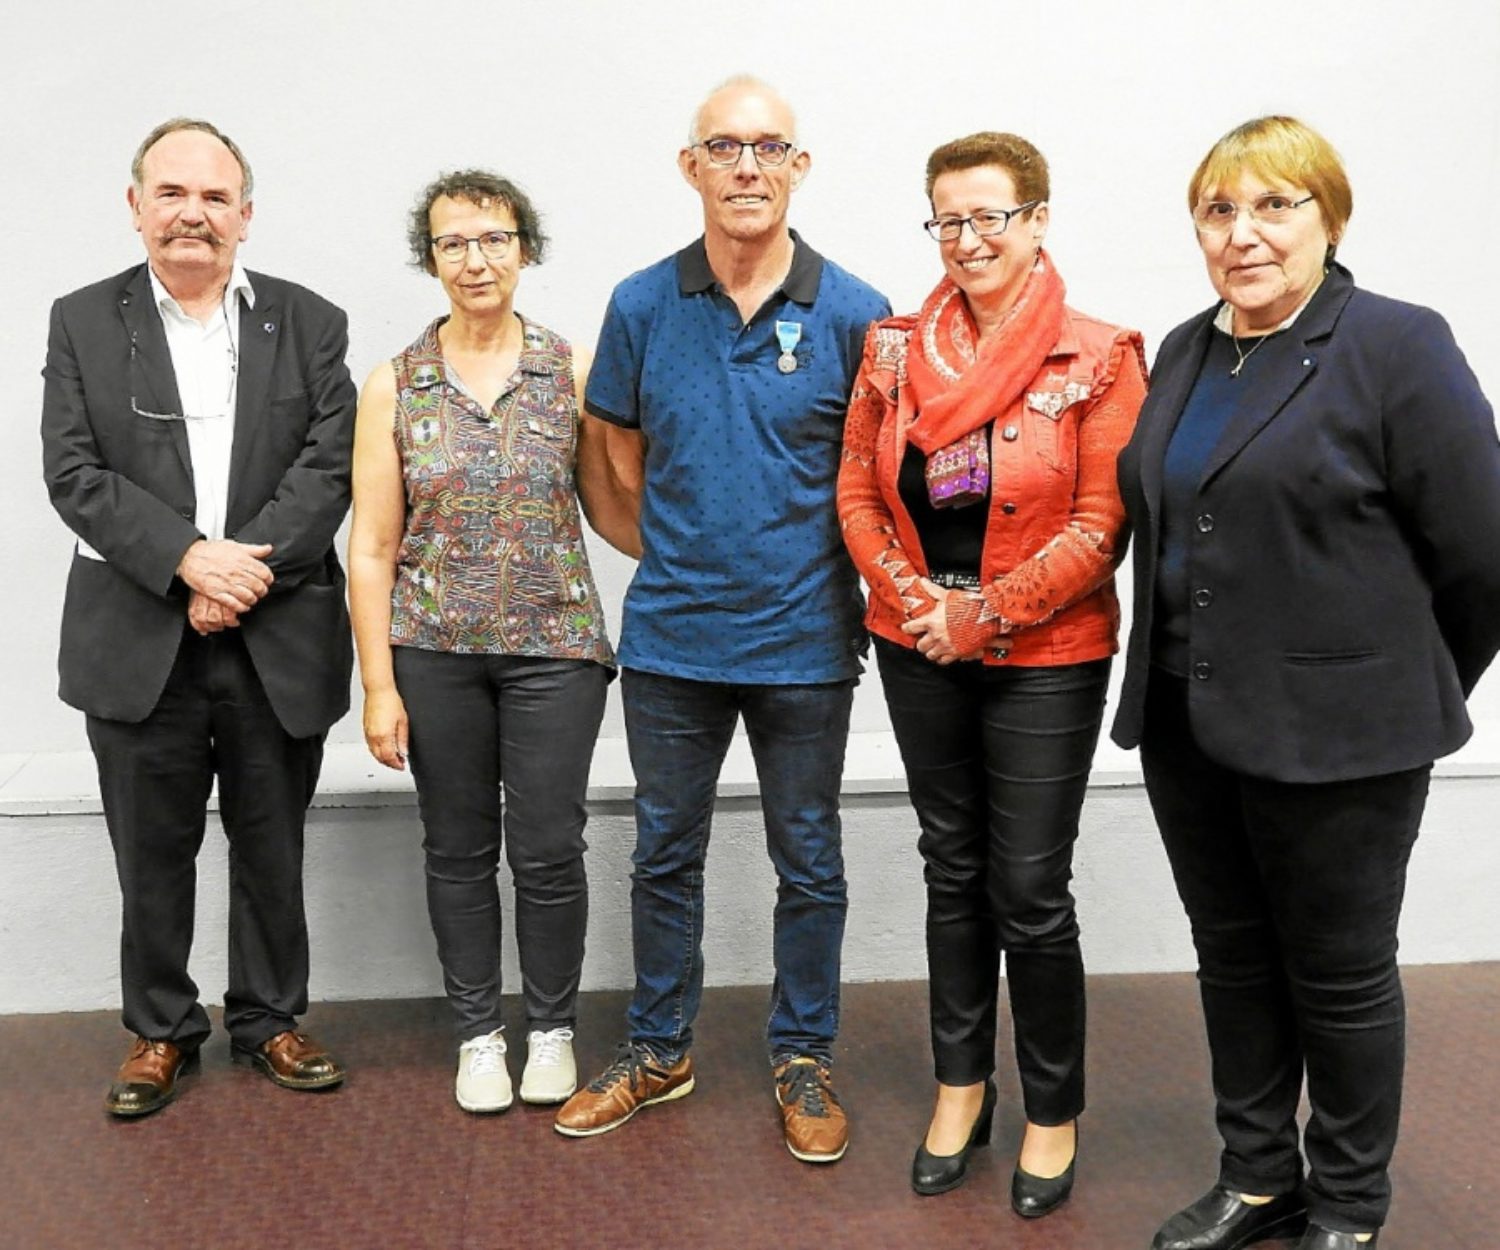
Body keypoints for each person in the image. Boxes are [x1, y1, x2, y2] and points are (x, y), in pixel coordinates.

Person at [1112, 116, 1500, 1250]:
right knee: (1232, 957)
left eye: (1275, 206)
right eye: (1220, 211)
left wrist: (1399, 682)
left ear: (1328, 216)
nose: (1245, 235)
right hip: (1190, 721)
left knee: (1339, 976)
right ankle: (1257, 1174)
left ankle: (1348, 1201)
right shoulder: (1187, 350)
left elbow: (1484, 556)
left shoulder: (1395, 343)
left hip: (1346, 739)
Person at [552, 76, 889, 1164]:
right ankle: (659, 1048)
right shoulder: (644, 303)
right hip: (673, 645)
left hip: (805, 646)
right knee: (663, 854)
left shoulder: (855, 310)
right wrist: (685, 555)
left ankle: (803, 1054)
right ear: (690, 166)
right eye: (725, 147)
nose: (749, 166)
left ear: (800, 166)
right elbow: (610, 463)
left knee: (810, 860)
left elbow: (872, 482)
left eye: (770, 147)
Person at [838, 132, 1146, 1211]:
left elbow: (1105, 522)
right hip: (918, 638)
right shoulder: (888, 351)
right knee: (951, 865)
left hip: (1047, 651)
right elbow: (858, 497)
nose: (967, 240)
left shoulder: (1101, 355)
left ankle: (1051, 1109)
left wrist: (991, 613)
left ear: (1038, 220)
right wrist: (922, 603)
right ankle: (960, 1086)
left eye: (990, 218)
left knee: (1029, 886)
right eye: (948, 220)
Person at [41, 117, 357, 1116]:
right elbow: (74, 470)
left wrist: (240, 573)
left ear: (246, 217)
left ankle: (269, 1017)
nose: (193, 213)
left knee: (273, 843)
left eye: (215, 197)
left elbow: (328, 462)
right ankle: (159, 1029)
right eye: (172, 192)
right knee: (151, 850)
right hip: (139, 638)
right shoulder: (83, 320)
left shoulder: (310, 322)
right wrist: (186, 563)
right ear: (136, 207)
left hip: (275, 633)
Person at [347, 171, 638, 1114]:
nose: (475, 259)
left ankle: (550, 1028)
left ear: (525, 248)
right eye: (452, 243)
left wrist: (711, 553)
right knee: (458, 848)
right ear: (430, 259)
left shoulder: (573, 370)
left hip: (556, 648)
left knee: (550, 847)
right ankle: (479, 1033)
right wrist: (378, 687)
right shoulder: (395, 383)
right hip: (432, 651)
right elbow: (374, 547)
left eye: (493, 239)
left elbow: (607, 510)